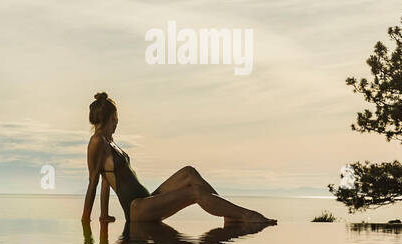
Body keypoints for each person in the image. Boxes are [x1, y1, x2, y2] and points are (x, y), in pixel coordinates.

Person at [80, 92, 276, 226]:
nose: (117, 122)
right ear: (109, 118)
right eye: (115, 119)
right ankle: (246, 215)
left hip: (145, 201)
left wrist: (104, 215)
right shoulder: (97, 142)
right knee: (195, 192)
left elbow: (107, 182)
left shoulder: (109, 141)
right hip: (137, 209)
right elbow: (94, 183)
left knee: (189, 172)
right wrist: (85, 221)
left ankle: (229, 215)